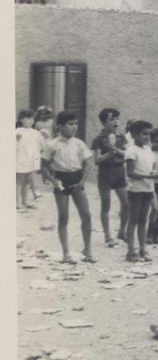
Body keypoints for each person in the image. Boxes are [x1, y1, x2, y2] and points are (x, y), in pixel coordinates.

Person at [41, 111, 94, 264]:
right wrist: (53, 180)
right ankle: (66, 253)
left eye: (75, 124)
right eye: (70, 124)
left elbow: (89, 162)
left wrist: (83, 181)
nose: (74, 127)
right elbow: (43, 166)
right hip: (61, 179)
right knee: (64, 217)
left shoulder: (79, 143)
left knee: (86, 215)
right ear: (60, 126)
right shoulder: (52, 145)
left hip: (77, 179)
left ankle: (88, 250)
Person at [91, 107, 130, 246]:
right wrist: (108, 154)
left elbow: (127, 153)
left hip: (119, 172)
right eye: (111, 119)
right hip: (105, 173)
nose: (115, 122)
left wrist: (115, 150)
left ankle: (122, 231)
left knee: (126, 204)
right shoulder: (98, 139)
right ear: (103, 122)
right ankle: (107, 235)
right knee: (105, 205)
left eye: (117, 119)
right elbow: (96, 160)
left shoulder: (121, 137)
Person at [123, 120, 158, 263]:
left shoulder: (148, 149)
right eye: (144, 134)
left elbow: (151, 166)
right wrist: (148, 176)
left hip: (148, 188)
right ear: (134, 135)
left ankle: (143, 249)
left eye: (149, 134)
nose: (147, 137)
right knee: (133, 219)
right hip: (136, 189)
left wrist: (153, 173)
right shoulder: (131, 150)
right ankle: (131, 251)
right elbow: (130, 173)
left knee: (143, 220)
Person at [16, 110, 43, 210]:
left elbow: (40, 145)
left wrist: (45, 136)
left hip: (31, 159)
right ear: (21, 119)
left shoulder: (35, 132)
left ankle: (25, 201)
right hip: (20, 159)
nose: (31, 120)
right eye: (28, 118)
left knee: (27, 181)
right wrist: (17, 140)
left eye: (32, 118)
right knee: (19, 181)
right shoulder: (17, 131)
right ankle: (17, 203)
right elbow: (13, 146)